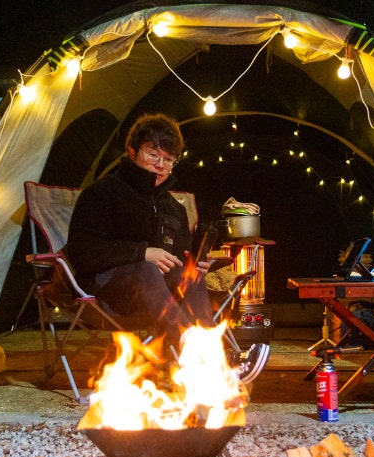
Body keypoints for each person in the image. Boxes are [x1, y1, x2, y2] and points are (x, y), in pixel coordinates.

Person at [67, 112, 267, 382]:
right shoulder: (102, 194)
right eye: (153, 155)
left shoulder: (173, 207)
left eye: (169, 159)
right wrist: (142, 252)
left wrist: (196, 262)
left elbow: (180, 257)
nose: (161, 165)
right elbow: (82, 250)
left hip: (160, 295)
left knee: (190, 276)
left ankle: (213, 363)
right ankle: (201, 357)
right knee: (147, 271)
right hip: (110, 289)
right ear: (132, 151)